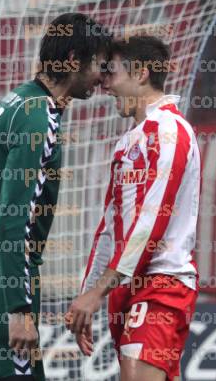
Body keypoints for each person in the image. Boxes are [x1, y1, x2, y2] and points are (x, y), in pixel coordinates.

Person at [0, 12, 112, 381]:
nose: (103, 77)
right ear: (73, 60)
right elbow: (14, 219)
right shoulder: (39, 118)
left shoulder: (23, 99)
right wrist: (19, 310)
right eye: (99, 65)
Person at [66, 36, 200, 381]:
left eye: (111, 73)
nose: (104, 84)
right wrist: (87, 295)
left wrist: (95, 293)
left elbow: (151, 224)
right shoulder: (127, 142)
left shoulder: (171, 131)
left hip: (162, 284)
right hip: (125, 288)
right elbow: (110, 227)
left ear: (141, 73)